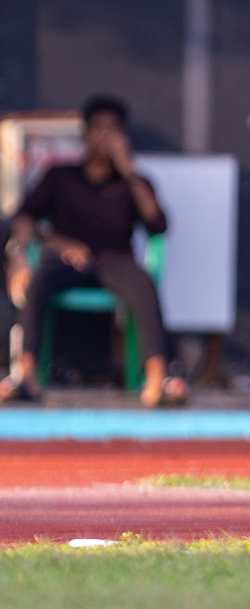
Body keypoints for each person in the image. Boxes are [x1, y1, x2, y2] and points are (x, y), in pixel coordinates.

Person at [0, 95, 188, 408]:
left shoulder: (134, 182)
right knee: (37, 283)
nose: (105, 137)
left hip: (116, 261)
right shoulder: (60, 175)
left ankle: (158, 379)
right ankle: (27, 376)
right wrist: (25, 253)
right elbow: (25, 217)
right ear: (85, 134)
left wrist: (128, 168)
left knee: (142, 285)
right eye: (98, 128)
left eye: (113, 130)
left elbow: (157, 226)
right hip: (66, 261)